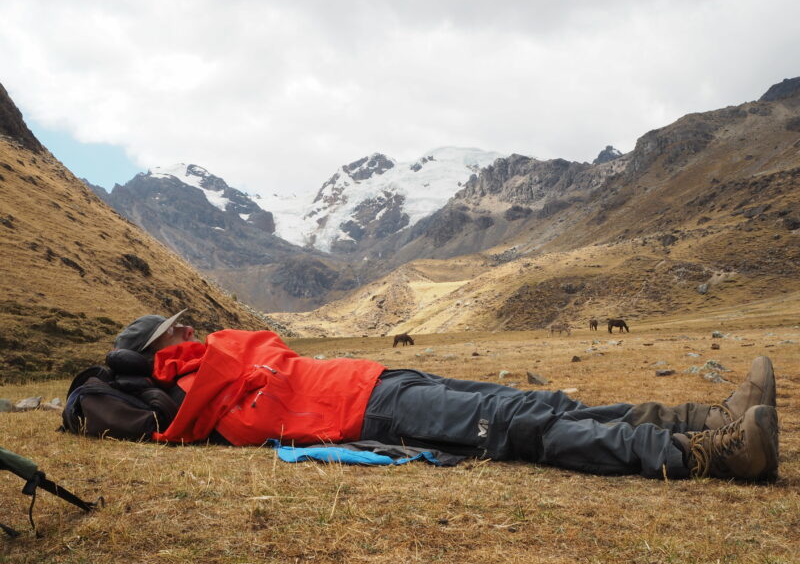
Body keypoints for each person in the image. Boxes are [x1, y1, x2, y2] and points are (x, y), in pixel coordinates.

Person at [112, 310, 780, 481]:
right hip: (370, 411)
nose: (192, 332)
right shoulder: (193, 391)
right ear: (158, 354)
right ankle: (709, 455)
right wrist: (129, 370)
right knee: (523, 428)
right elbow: (122, 407)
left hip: (376, 380)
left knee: (537, 403)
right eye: (176, 334)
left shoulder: (212, 365)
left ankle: (703, 418)